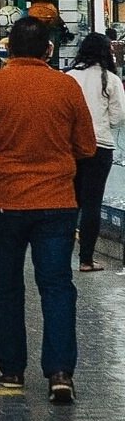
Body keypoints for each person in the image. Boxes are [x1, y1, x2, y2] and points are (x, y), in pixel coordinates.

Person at [0, 15, 98, 404]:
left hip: (5, 201)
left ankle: (11, 369)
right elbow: (87, 146)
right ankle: (59, 372)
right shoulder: (65, 87)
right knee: (56, 287)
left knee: (6, 287)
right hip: (57, 203)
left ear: (7, 49)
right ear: (49, 50)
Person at [66, 32, 125, 272]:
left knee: (70, 202)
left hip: (70, 147)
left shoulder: (69, 77)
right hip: (100, 147)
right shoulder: (109, 79)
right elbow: (119, 116)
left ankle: (61, 255)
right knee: (92, 203)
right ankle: (86, 259)